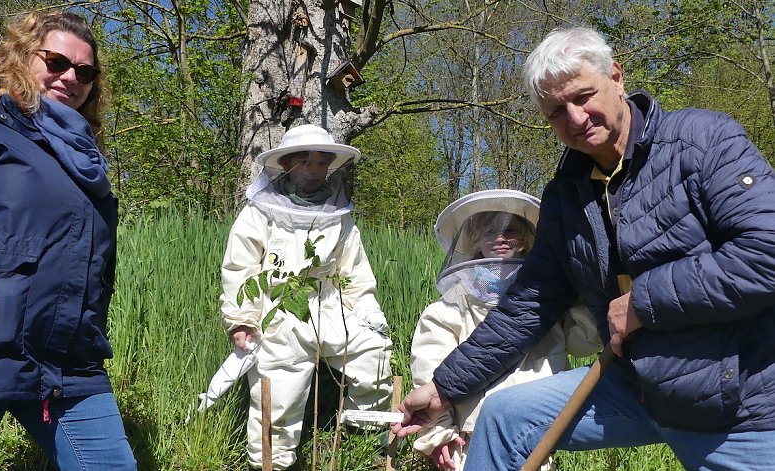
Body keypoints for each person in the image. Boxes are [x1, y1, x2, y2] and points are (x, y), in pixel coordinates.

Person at [393, 26, 775, 470]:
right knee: (506, 418)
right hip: (636, 385)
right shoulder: (566, 195)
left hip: (737, 400)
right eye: (556, 111)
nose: (575, 118)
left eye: (583, 96)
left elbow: (765, 256)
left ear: (617, 77)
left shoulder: (702, 141)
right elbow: (528, 305)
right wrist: (443, 389)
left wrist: (645, 303)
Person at [0, 11, 136, 470]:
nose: (70, 77)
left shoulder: (83, 154)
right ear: (20, 57)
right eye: (55, 61)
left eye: (85, 72)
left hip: (69, 361)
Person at [219, 124, 393, 469]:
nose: (314, 171)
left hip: (330, 306)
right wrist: (242, 321)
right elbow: (241, 269)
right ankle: (272, 463)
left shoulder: (338, 216)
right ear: (286, 164)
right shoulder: (259, 212)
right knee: (279, 394)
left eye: (321, 163)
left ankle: (360, 443)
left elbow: (354, 271)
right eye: (306, 162)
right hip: (279, 309)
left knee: (374, 356)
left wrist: (368, 311)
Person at [410, 189, 600, 470]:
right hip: (472, 437)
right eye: (489, 231)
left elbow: (585, 342)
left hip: (537, 432)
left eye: (510, 230)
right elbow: (429, 373)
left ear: (526, 238)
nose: (499, 238)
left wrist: (579, 296)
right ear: (473, 238)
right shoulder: (448, 310)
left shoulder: (547, 301)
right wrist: (438, 434)